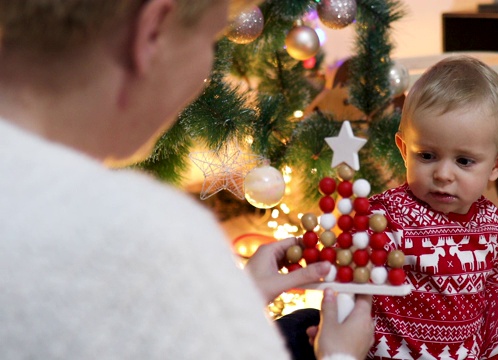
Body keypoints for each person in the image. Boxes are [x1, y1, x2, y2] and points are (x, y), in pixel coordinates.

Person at [0, 0, 373, 359]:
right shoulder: (145, 232)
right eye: (212, 38)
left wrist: (233, 301)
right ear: (153, 32)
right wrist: (340, 354)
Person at [364, 55, 498, 359]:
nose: (443, 175)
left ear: (496, 166)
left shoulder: (491, 223)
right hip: (396, 353)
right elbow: (348, 270)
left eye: (464, 161)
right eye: (427, 156)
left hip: (469, 352)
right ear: (405, 150)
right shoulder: (386, 218)